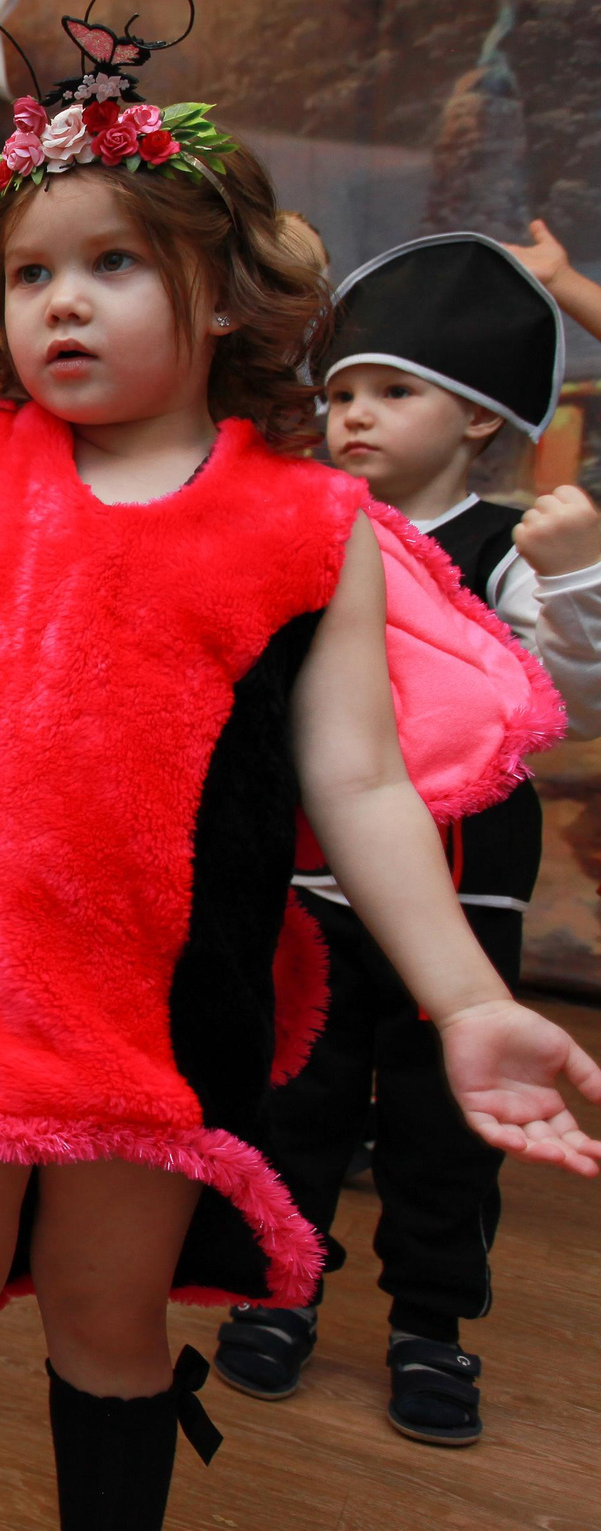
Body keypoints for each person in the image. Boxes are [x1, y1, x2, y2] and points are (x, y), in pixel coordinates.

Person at [0, 0, 601, 1531]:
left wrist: (470, 999)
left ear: (216, 295)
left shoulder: (309, 522)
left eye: (114, 263)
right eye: (33, 274)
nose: (62, 301)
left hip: (149, 1004)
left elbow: (362, 782)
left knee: (108, 1316)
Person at [218, 235, 601, 1446]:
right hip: (310, 887)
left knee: (443, 1129)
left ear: (480, 420)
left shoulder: (512, 547)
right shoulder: (305, 529)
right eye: (337, 395)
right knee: (301, 1106)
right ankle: (278, 1289)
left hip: (464, 887)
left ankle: (431, 1328)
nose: (353, 419)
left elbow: (574, 706)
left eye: (392, 392)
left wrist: (580, 578)